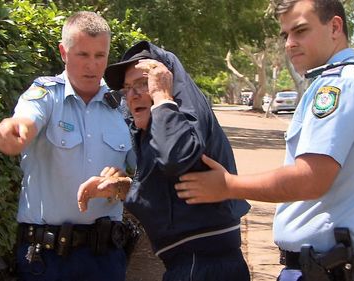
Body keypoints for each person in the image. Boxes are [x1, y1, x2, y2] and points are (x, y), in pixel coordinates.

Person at [174, 1, 354, 280]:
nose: (290, 43)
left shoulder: (340, 85)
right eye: (285, 35)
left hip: (334, 271)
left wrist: (227, 185)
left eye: (301, 30)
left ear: (335, 27)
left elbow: (310, 179)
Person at [77, 41, 251, 281]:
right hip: (187, 265)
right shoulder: (160, 131)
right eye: (127, 88)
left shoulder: (179, 121)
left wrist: (161, 95)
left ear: (169, 84)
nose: (132, 94)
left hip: (204, 264)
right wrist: (120, 187)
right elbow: (164, 196)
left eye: (143, 83)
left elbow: (176, 158)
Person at [0, 11, 135, 281]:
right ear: (63, 52)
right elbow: (26, 120)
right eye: (83, 54)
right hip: (45, 261)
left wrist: (122, 183)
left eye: (100, 55)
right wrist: (11, 132)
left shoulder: (123, 106)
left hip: (105, 259)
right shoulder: (45, 95)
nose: (92, 66)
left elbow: (147, 175)